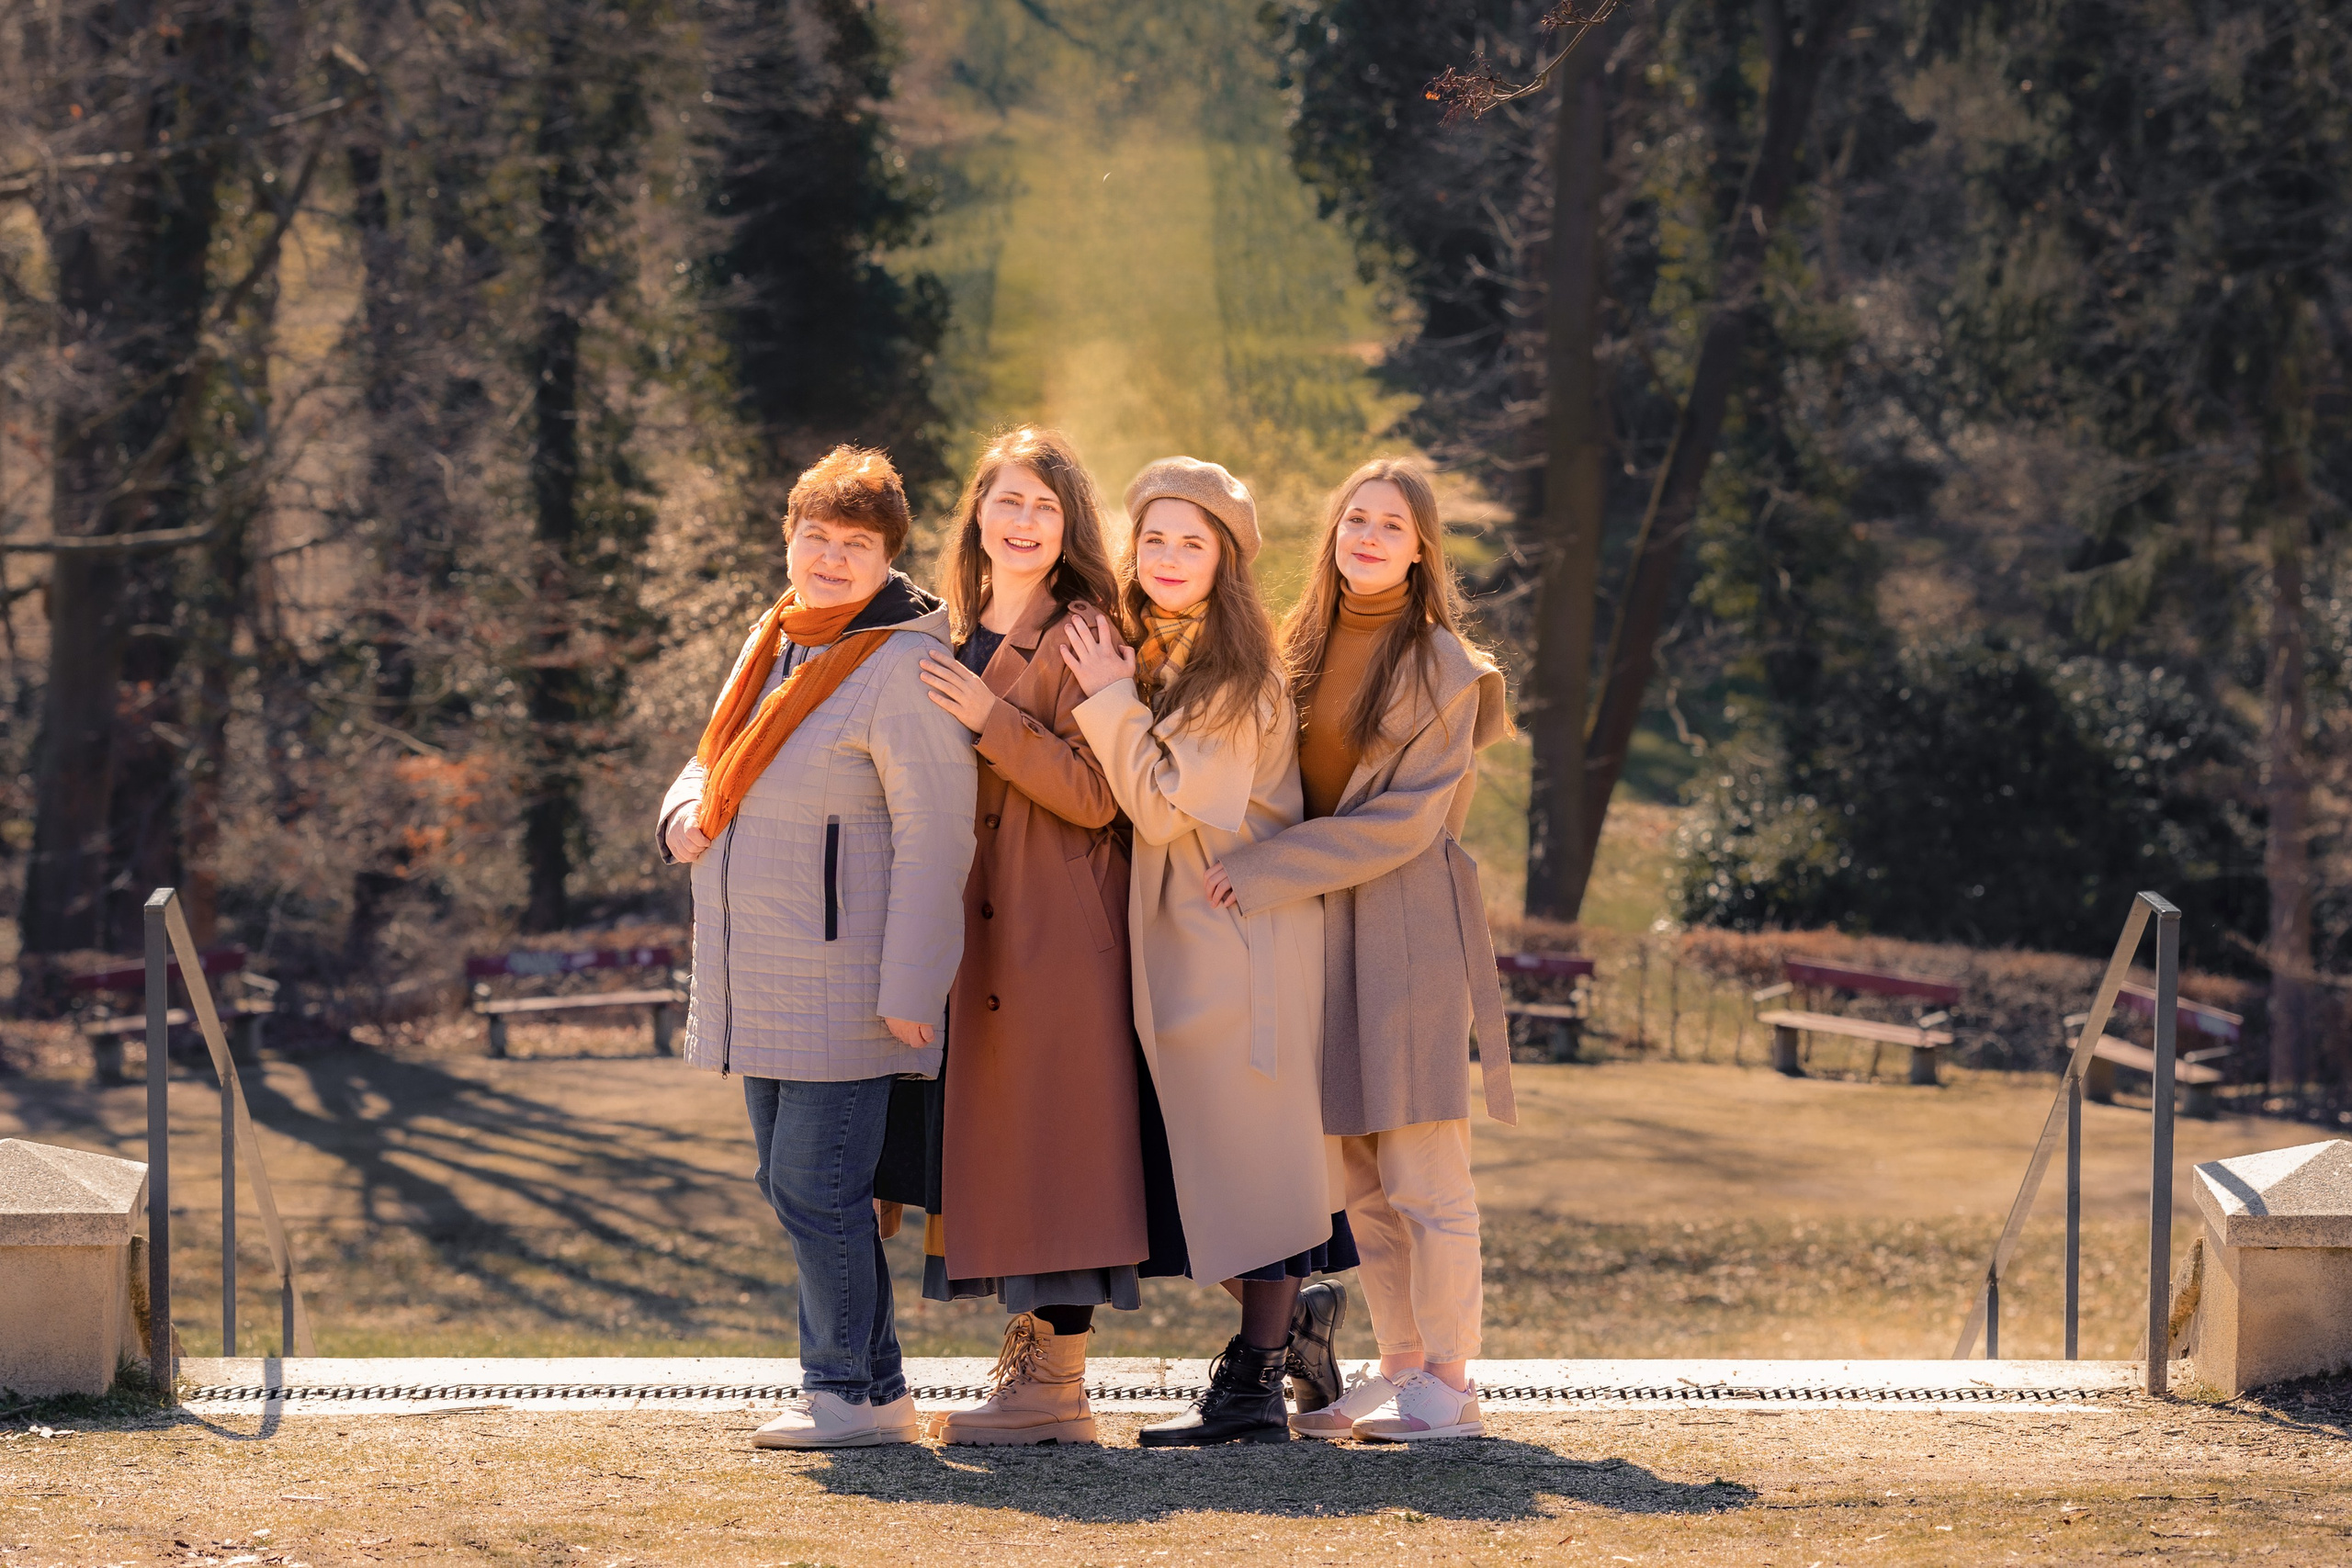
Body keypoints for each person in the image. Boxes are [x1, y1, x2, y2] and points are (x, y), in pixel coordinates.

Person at [656, 446, 976, 1450]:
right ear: (788, 538)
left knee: (818, 1188)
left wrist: (913, 983)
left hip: (849, 982)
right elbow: (709, 759)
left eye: (856, 545)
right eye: (816, 537)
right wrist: (679, 814)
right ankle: (872, 1392)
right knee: (794, 1187)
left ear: (888, 558)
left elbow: (938, 831)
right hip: (764, 973)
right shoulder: (777, 639)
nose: (831, 560)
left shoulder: (900, 666)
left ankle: (842, 1391)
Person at [1204, 457, 1514, 1443]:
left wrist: (1266, 869)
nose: (1368, 538)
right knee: (1363, 1183)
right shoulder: (1293, 647)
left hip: (1408, 926)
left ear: (1421, 546)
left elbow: (1406, 824)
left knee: (1424, 1171)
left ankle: (1453, 1383)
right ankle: (1402, 1368)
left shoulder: (1446, 668)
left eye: (1390, 525)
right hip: (1321, 932)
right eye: (1354, 522)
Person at [882, 426, 1173, 1446]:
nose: (1023, 521)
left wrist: (990, 724)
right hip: (963, 932)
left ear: (1068, 527)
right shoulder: (940, 627)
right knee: (1000, 1150)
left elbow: (1103, 796)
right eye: (1007, 501)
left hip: (1052, 932)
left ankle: (1054, 1391)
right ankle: (1031, 1377)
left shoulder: (1084, 631)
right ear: (978, 516)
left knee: (1060, 1149)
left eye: (1044, 507)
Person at [1062, 456, 1353, 1448]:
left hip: (1235, 948)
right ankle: (1295, 1333)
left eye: (1193, 542)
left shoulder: (1232, 675)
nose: (1169, 557)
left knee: (1245, 1168)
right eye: (1154, 539)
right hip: (1181, 941)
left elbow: (1154, 803)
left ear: (1225, 561)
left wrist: (1105, 696)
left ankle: (1254, 1388)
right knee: (1201, 1174)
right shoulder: (1162, 655)